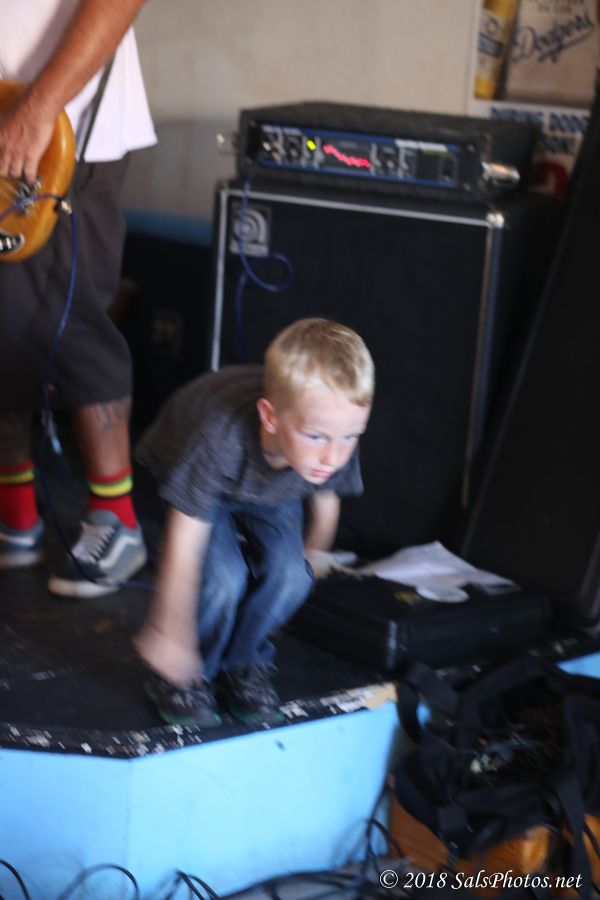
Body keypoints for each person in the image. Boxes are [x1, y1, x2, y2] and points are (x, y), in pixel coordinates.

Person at [133, 318, 375, 727]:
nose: (334, 457)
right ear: (270, 417)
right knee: (224, 577)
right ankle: (185, 676)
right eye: (316, 437)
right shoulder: (219, 439)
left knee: (293, 575)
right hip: (193, 477)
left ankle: (242, 662)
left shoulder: (332, 435)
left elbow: (326, 504)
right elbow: (184, 546)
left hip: (273, 487)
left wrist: (311, 559)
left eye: (351, 437)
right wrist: (169, 632)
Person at [0, 1, 156, 596]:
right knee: (5, 320)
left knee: (71, 319)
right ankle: (15, 515)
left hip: (62, 126)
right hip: (9, 114)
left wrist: (40, 107)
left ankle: (117, 521)